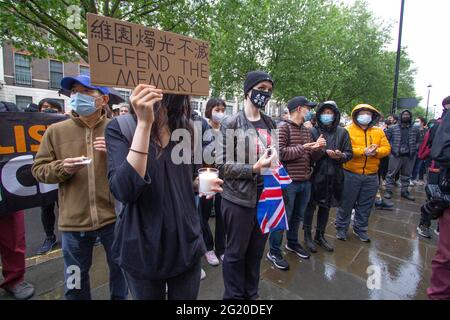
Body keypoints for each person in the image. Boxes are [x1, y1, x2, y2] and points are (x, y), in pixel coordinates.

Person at [105, 85, 223, 300]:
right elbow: (124, 190)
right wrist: (143, 125)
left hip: (186, 243)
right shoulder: (121, 127)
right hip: (143, 248)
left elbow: (185, 179)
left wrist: (200, 184)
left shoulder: (186, 129)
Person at [32, 75, 128, 300]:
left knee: (120, 273)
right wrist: (62, 167)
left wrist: (116, 153)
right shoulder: (55, 131)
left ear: (102, 99)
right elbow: (38, 170)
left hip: (113, 219)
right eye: (74, 91)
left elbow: (132, 169)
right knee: (74, 281)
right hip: (74, 224)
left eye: (85, 92)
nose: (76, 96)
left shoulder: (117, 129)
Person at [216, 71, 277, 299]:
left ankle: (252, 294)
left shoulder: (271, 122)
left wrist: (275, 165)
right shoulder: (230, 123)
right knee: (235, 254)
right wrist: (253, 168)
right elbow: (221, 166)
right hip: (238, 201)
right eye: (261, 88)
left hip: (266, 198)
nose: (265, 93)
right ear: (248, 91)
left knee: (256, 252)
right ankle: (233, 297)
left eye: (269, 90)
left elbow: (276, 156)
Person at [267, 96, 324, 270]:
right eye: (308, 108)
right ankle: (274, 251)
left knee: (297, 216)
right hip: (288, 182)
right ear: (299, 109)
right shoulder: (282, 127)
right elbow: (280, 154)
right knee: (281, 218)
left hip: (305, 180)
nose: (310, 112)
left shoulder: (307, 130)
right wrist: (305, 148)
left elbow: (309, 156)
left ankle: (292, 242)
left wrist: (317, 149)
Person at [335, 104, 391, 242]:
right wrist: (363, 151)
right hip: (350, 173)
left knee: (366, 204)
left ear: (373, 116)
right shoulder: (347, 130)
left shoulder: (378, 131)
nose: (365, 116)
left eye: (368, 113)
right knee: (346, 202)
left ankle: (360, 229)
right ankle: (341, 228)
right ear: (356, 115)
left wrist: (376, 151)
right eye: (362, 113)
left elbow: (387, 148)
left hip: (371, 175)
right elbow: (345, 149)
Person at [303, 101, 352, 253]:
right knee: (310, 207)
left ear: (335, 115)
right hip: (314, 175)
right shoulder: (312, 131)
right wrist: (323, 152)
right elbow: (306, 153)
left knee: (326, 207)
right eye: (324, 112)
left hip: (333, 176)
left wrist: (340, 155)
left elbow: (349, 154)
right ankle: (307, 236)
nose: (327, 115)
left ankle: (320, 235)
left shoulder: (342, 132)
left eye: (330, 113)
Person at [35, 99, 64, 255]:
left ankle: (68, 235)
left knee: (64, 206)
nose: (48, 110)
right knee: (46, 208)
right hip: (46, 176)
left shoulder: (63, 127)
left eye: (52, 108)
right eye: (45, 108)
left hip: (64, 177)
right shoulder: (31, 126)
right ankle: (49, 236)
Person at [200, 98, 226, 265]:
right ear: (209, 110)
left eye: (223, 109)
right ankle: (208, 248)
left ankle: (221, 248)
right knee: (203, 214)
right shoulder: (202, 128)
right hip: (206, 177)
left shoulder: (227, 129)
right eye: (217, 109)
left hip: (224, 177)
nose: (220, 113)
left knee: (222, 214)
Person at [384, 110, 420, 201]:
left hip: (409, 156)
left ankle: (404, 191)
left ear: (410, 116)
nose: (406, 116)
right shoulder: (393, 128)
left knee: (407, 175)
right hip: (395, 155)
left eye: (408, 114)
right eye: (404, 114)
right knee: (391, 174)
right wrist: (392, 150)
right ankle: (388, 191)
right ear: (400, 116)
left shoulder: (415, 128)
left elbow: (419, 141)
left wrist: (415, 149)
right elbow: (386, 140)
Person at [411, 117, 427, 186]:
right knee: (411, 166)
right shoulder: (413, 130)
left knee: (417, 166)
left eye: (418, 121)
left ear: (422, 122)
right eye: (415, 121)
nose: (416, 122)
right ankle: (409, 179)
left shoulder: (426, 131)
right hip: (414, 150)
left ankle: (414, 178)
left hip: (421, 151)